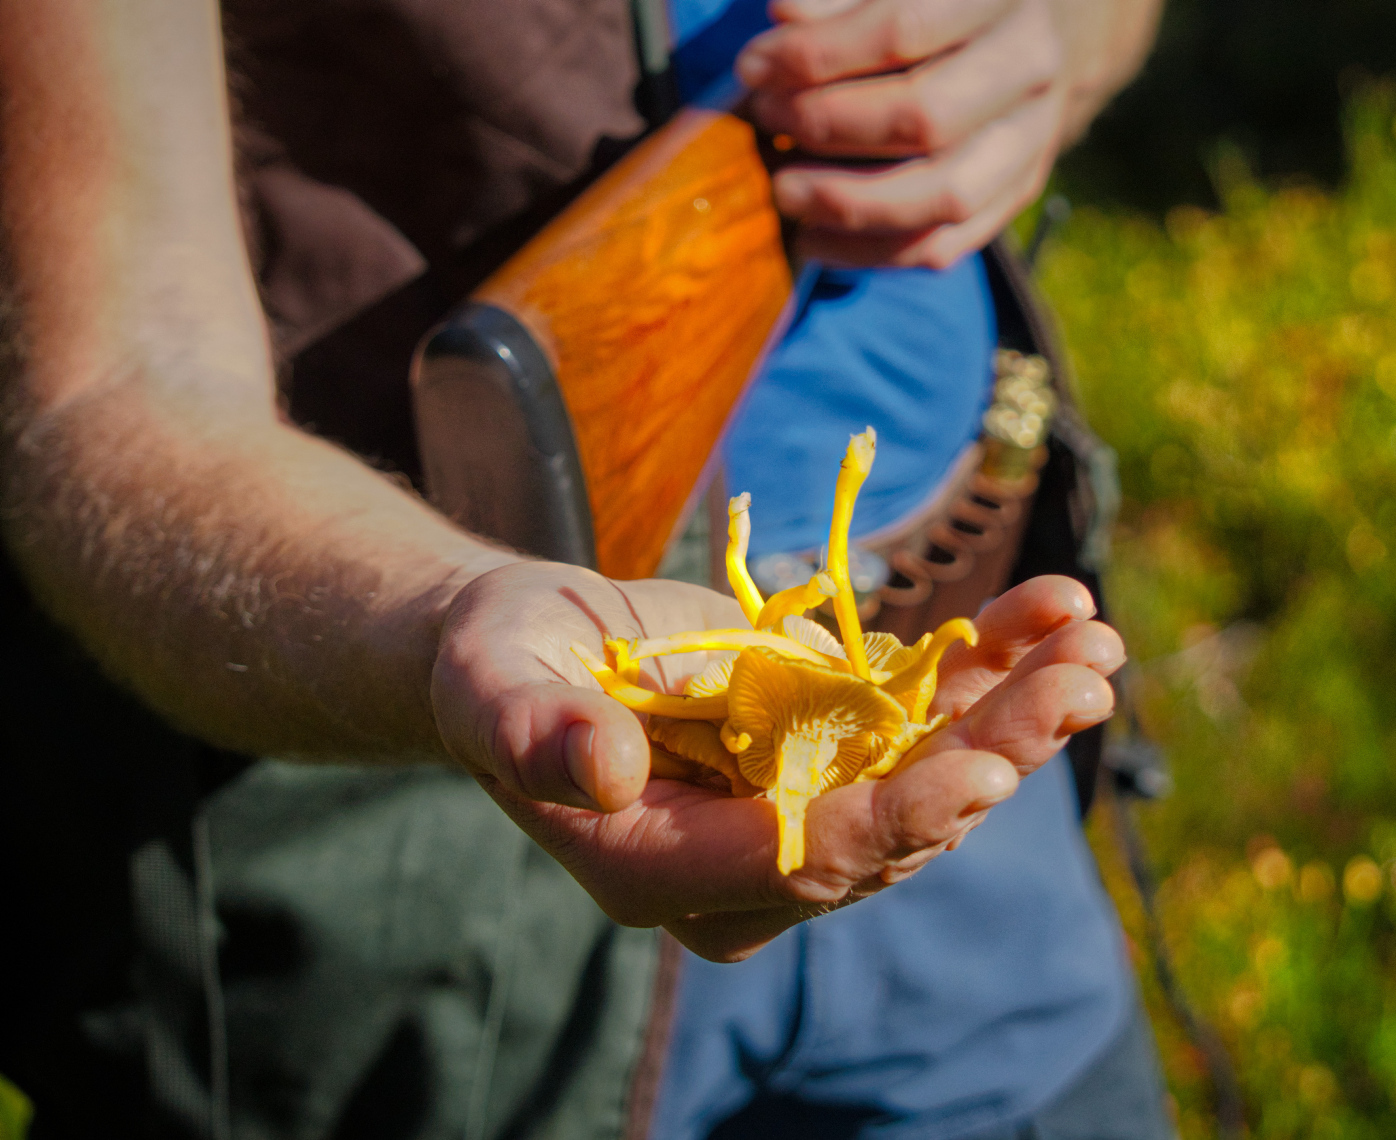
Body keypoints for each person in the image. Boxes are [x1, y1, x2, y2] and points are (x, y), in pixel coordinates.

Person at [0, 1, 1161, 1138]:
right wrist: (448, 616)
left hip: (962, 755)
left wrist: (1059, 41)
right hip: (423, 856)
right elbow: (108, 393)